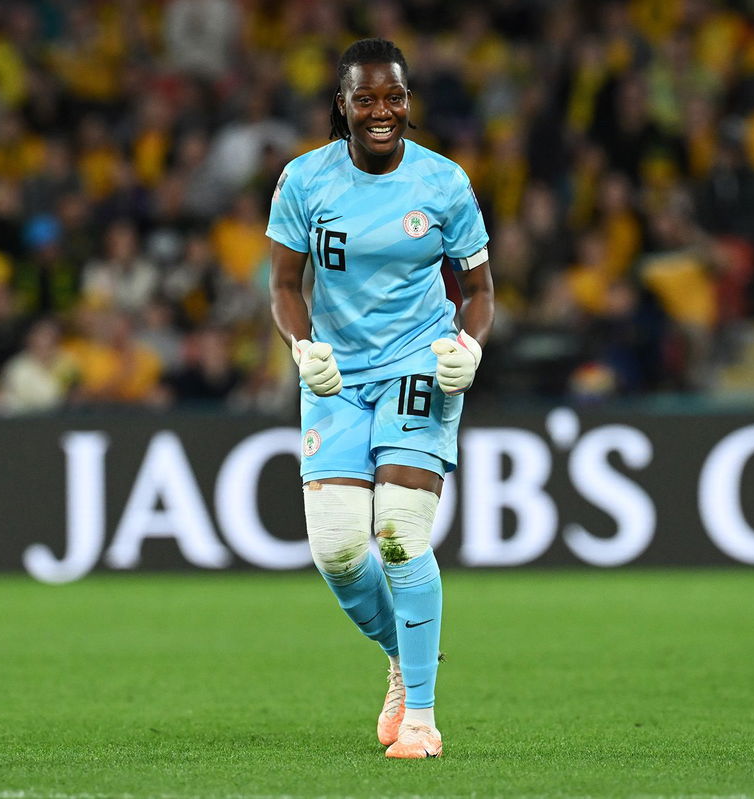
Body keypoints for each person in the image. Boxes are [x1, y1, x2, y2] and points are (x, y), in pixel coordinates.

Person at [266, 38, 494, 760]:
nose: (382, 110)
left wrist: (469, 346)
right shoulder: (304, 181)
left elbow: (481, 291)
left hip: (417, 365)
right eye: (365, 98)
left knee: (398, 532)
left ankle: (421, 717)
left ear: (408, 101)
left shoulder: (445, 184)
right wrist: (304, 348)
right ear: (343, 105)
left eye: (393, 96)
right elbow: (282, 286)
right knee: (336, 549)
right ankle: (405, 653)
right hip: (336, 373)